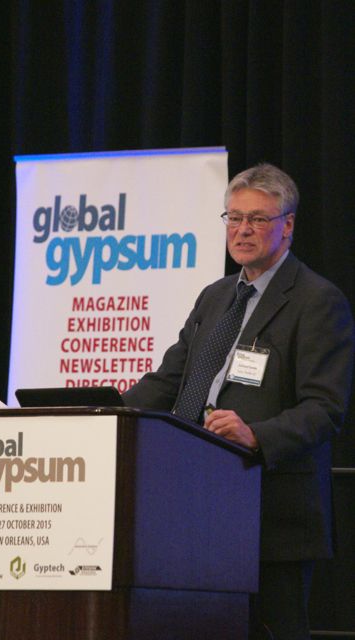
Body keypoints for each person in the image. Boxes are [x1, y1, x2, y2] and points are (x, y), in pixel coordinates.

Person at [123, 163, 354, 640]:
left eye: (258, 219)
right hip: (197, 506)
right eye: (234, 217)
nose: (242, 230)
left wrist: (256, 436)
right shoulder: (215, 297)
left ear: (287, 225)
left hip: (271, 514)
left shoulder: (316, 300)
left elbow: (324, 407)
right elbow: (168, 383)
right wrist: (106, 413)